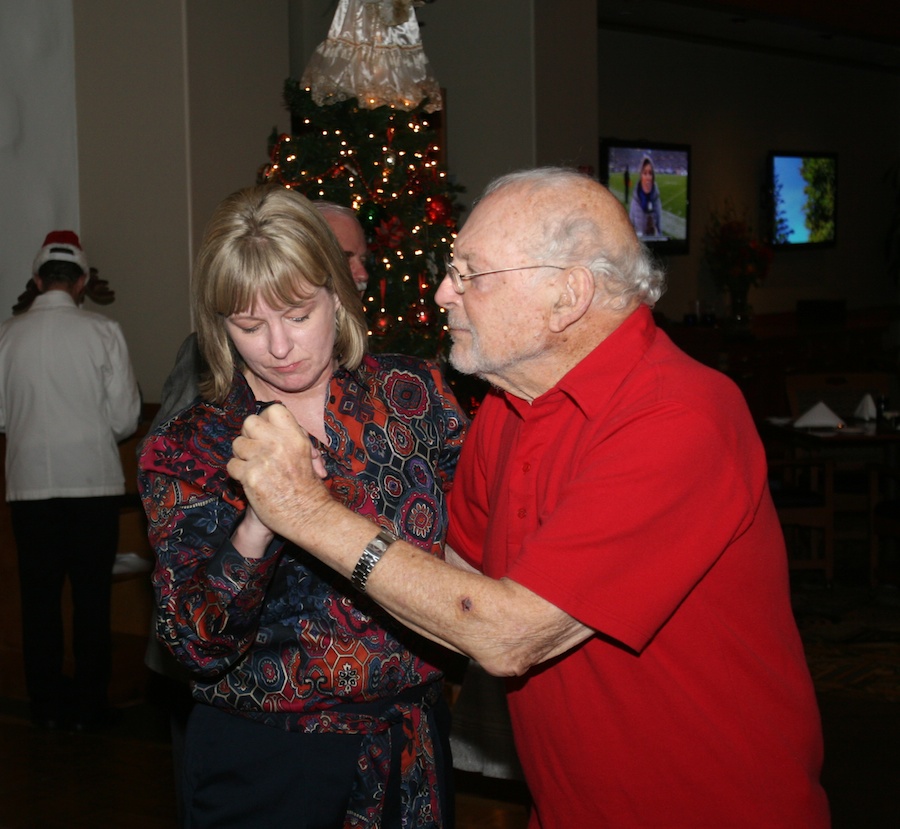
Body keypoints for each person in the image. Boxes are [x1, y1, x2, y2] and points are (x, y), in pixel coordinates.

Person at [227, 167, 831, 828]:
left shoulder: (677, 414)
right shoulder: (509, 407)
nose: (441, 293)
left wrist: (310, 511)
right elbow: (451, 584)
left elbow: (506, 633)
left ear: (566, 295)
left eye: (470, 273)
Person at [137, 184, 467, 829]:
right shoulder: (192, 446)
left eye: (298, 314)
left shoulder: (414, 394)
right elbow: (195, 645)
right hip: (266, 758)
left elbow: (480, 543)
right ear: (219, 327)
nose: (279, 348)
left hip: (411, 741)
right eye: (250, 327)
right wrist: (260, 523)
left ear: (337, 297)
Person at [0, 230, 141, 731]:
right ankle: (89, 706)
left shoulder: (6, 334)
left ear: (39, 280)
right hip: (93, 486)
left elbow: (1, 417)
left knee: (38, 600)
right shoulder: (104, 332)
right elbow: (126, 418)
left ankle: (45, 707)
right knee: (91, 599)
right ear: (81, 281)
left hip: (29, 488)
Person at [628, 155, 663, 238]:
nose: (647, 178)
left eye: (650, 173)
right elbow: (630, 231)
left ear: (653, 177)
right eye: (645, 173)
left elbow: (660, 231)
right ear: (641, 176)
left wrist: (655, 234)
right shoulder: (635, 200)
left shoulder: (656, 200)